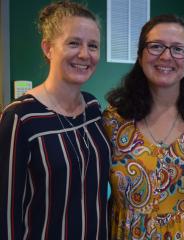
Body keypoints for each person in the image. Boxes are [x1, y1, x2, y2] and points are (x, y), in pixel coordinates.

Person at [103, 14, 184, 239]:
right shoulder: (113, 120)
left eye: (178, 49)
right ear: (140, 55)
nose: (166, 56)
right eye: (156, 46)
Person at [0, 1, 110, 239]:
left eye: (93, 46)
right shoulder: (20, 117)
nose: (85, 54)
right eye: (73, 43)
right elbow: (6, 213)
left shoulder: (93, 108)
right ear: (48, 48)